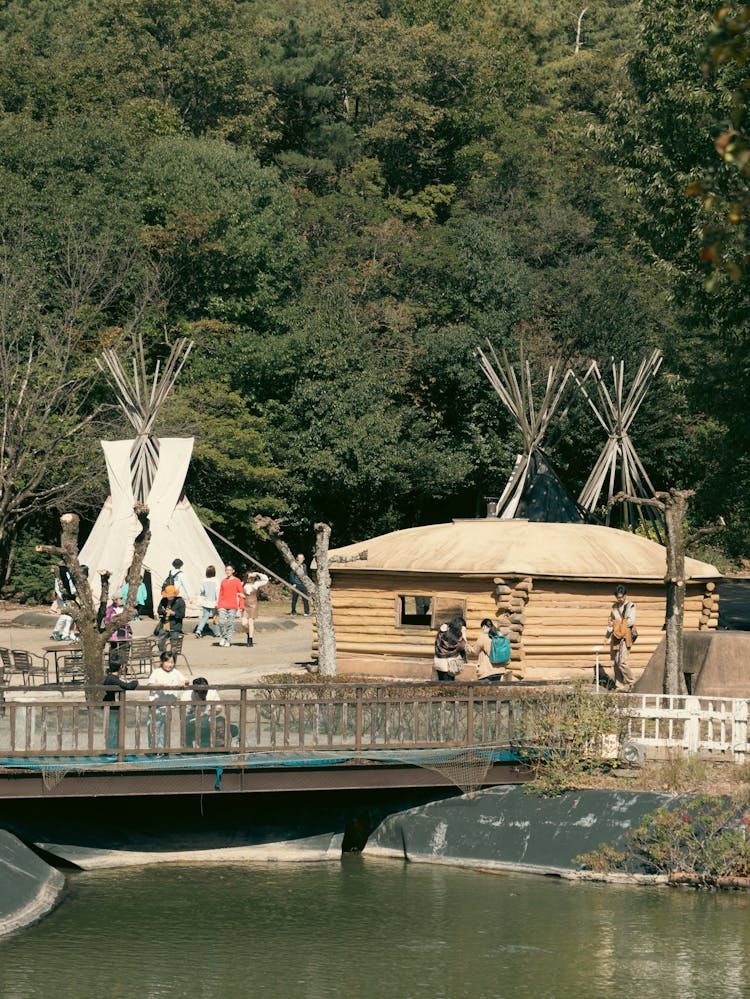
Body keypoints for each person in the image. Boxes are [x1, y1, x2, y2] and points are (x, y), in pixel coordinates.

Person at [146, 652, 188, 749]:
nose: (169, 665)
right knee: (154, 728)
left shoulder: (175, 672)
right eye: (167, 662)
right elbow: (150, 684)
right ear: (162, 662)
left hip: (169, 706)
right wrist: (161, 685)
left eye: (172, 662)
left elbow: (186, 680)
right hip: (156, 706)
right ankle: (154, 749)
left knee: (165, 729)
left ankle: (163, 749)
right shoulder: (157, 672)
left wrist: (183, 682)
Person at [605, 584, 637, 692]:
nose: (620, 599)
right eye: (618, 597)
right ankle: (619, 686)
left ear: (625, 595)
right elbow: (610, 623)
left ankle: (631, 682)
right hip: (615, 637)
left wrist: (617, 624)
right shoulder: (614, 607)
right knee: (615, 662)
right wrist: (607, 636)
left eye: (622, 596)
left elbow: (631, 621)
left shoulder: (630, 606)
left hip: (625, 636)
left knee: (622, 661)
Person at [102, 660, 138, 750]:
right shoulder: (112, 678)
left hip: (113, 707)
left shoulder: (112, 677)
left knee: (115, 729)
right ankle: (111, 750)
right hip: (111, 707)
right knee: (112, 730)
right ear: (121, 667)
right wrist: (135, 682)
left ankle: (114, 749)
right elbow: (128, 686)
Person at [183, 676, 224, 748]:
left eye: (205, 691)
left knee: (220, 722)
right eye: (201, 692)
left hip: (209, 719)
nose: (204, 694)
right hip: (192, 721)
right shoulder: (186, 695)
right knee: (186, 727)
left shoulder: (212, 692)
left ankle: (219, 749)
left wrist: (206, 713)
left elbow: (219, 708)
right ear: (194, 691)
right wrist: (195, 715)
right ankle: (188, 751)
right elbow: (184, 715)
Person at [470, 618, 506, 683]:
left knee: (484, 692)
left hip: (487, 671)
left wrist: (467, 647)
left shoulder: (484, 637)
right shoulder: (499, 635)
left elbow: (474, 651)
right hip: (499, 670)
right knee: (494, 691)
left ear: (484, 626)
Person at [217, 564, 244, 648]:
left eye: (229, 570)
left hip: (233, 605)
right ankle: (223, 637)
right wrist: (219, 605)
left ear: (233, 571)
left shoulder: (237, 581)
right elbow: (220, 594)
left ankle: (228, 640)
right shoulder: (223, 581)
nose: (228, 571)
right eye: (226, 570)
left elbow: (241, 593)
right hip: (223, 605)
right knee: (221, 622)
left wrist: (241, 605)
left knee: (229, 623)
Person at [433, 616, 467, 681]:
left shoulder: (442, 633)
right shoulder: (454, 639)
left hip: (438, 663)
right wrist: (463, 634)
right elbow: (462, 646)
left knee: (441, 684)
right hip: (449, 665)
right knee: (448, 687)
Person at [155, 585, 186, 653]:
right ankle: (163, 657)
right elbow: (159, 610)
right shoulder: (164, 600)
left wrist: (173, 613)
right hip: (164, 626)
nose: (168, 596)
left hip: (175, 627)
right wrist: (163, 611)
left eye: (170, 595)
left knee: (174, 646)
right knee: (160, 643)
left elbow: (182, 614)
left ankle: (172, 660)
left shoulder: (180, 601)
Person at [242, 571, 269, 646]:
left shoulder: (256, 584)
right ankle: (248, 633)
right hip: (244, 604)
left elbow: (265, 579)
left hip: (253, 604)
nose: (250, 579)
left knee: (251, 622)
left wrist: (257, 573)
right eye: (249, 577)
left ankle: (250, 639)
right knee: (244, 624)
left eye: (252, 578)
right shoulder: (242, 584)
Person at [194, 565, 221, 639]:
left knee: (204, 617)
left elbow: (202, 590)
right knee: (215, 617)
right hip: (214, 602)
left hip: (206, 601)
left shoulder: (203, 580)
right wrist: (218, 602)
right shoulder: (216, 580)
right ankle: (217, 632)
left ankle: (198, 631)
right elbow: (217, 592)